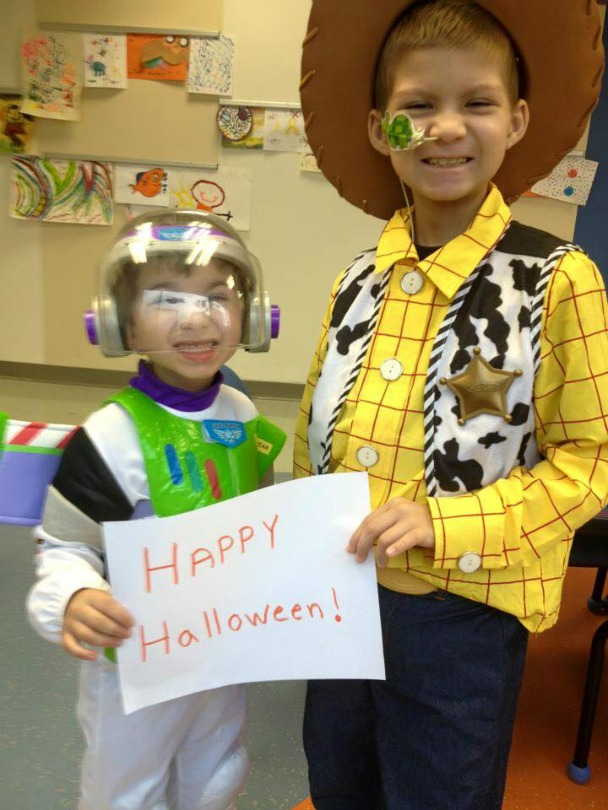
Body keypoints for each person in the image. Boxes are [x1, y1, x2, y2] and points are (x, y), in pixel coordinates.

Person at [296, 1, 608, 808]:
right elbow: (313, 436)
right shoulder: (357, 278)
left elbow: (589, 464)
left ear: (518, 119)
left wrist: (445, 520)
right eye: (416, 108)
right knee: (339, 783)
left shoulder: (556, 281)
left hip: (459, 622)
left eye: (476, 103)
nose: (444, 129)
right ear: (378, 128)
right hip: (338, 604)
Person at [27, 209, 286, 810]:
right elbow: (64, 546)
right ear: (121, 324)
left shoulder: (243, 417)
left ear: (250, 315)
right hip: (135, 665)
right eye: (166, 300)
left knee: (217, 776)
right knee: (129, 792)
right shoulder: (111, 435)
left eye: (217, 298)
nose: (196, 318)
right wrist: (73, 597)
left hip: (219, 653)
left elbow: (261, 526)